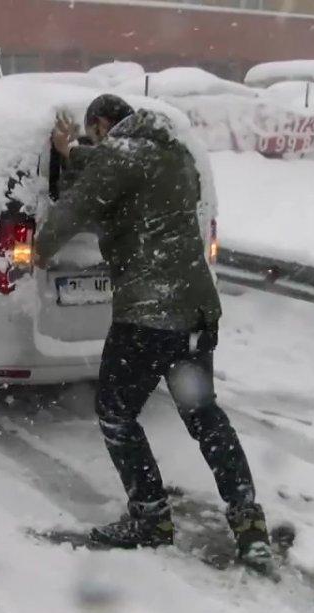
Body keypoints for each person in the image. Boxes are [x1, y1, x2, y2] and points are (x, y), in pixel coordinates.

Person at [35, 95, 274, 571]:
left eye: (92, 134)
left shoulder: (118, 157)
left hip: (148, 313)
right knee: (205, 416)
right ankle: (249, 524)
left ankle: (149, 517)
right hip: (195, 309)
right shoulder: (172, 150)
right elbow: (117, 170)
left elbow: (76, 208)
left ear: (102, 126)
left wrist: (39, 249)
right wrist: (74, 153)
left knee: (115, 413)